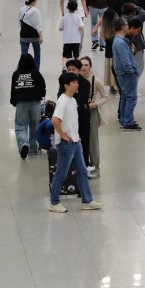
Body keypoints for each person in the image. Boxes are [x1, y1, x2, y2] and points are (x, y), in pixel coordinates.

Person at [48, 72, 103, 213]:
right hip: (67, 144)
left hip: (75, 142)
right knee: (61, 173)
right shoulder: (63, 101)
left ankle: (87, 200)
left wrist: (75, 136)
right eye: (74, 83)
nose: (77, 84)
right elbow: (55, 120)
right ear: (66, 85)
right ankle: (54, 202)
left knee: (82, 171)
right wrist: (63, 136)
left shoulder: (72, 100)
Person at [11, 54, 46, 159]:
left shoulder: (16, 74)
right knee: (35, 126)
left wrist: (13, 101)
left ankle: (23, 145)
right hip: (35, 103)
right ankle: (33, 148)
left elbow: (13, 89)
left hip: (21, 103)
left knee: (21, 126)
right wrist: (41, 95)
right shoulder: (36, 73)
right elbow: (43, 87)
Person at [78, 56, 107, 179]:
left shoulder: (96, 81)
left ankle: (96, 167)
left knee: (93, 141)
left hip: (92, 114)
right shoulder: (76, 80)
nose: (84, 67)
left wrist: (96, 104)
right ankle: (85, 164)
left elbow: (105, 97)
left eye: (86, 65)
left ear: (90, 67)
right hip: (79, 113)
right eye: (82, 65)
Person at [112, 18, 141, 131]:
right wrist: (132, 71)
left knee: (125, 97)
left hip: (122, 74)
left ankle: (124, 120)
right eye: (127, 25)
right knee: (131, 98)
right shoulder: (121, 43)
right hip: (127, 74)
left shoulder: (118, 41)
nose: (128, 27)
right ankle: (128, 122)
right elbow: (125, 62)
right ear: (123, 27)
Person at [18, 0, 43, 69]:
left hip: (23, 35)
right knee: (37, 53)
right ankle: (36, 70)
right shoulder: (36, 11)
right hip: (34, 36)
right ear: (33, 1)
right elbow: (38, 24)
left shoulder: (21, 9)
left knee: (24, 54)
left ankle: (23, 69)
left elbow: (19, 22)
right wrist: (41, 36)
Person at [58, 0, 84, 67]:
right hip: (76, 40)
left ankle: (64, 67)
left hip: (67, 40)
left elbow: (60, 28)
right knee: (76, 56)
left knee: (65, 56)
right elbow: (81, 27)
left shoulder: (64, 17)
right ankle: (78, 68)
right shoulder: (78, 17)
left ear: (67, 7)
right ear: (76, 8)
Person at [126, 16, 145, 84]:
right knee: (138, 67)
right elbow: (143, 14)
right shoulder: (124, 39)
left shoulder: (128, 35)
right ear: (132, 28)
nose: (138, 33)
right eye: (138, 30)